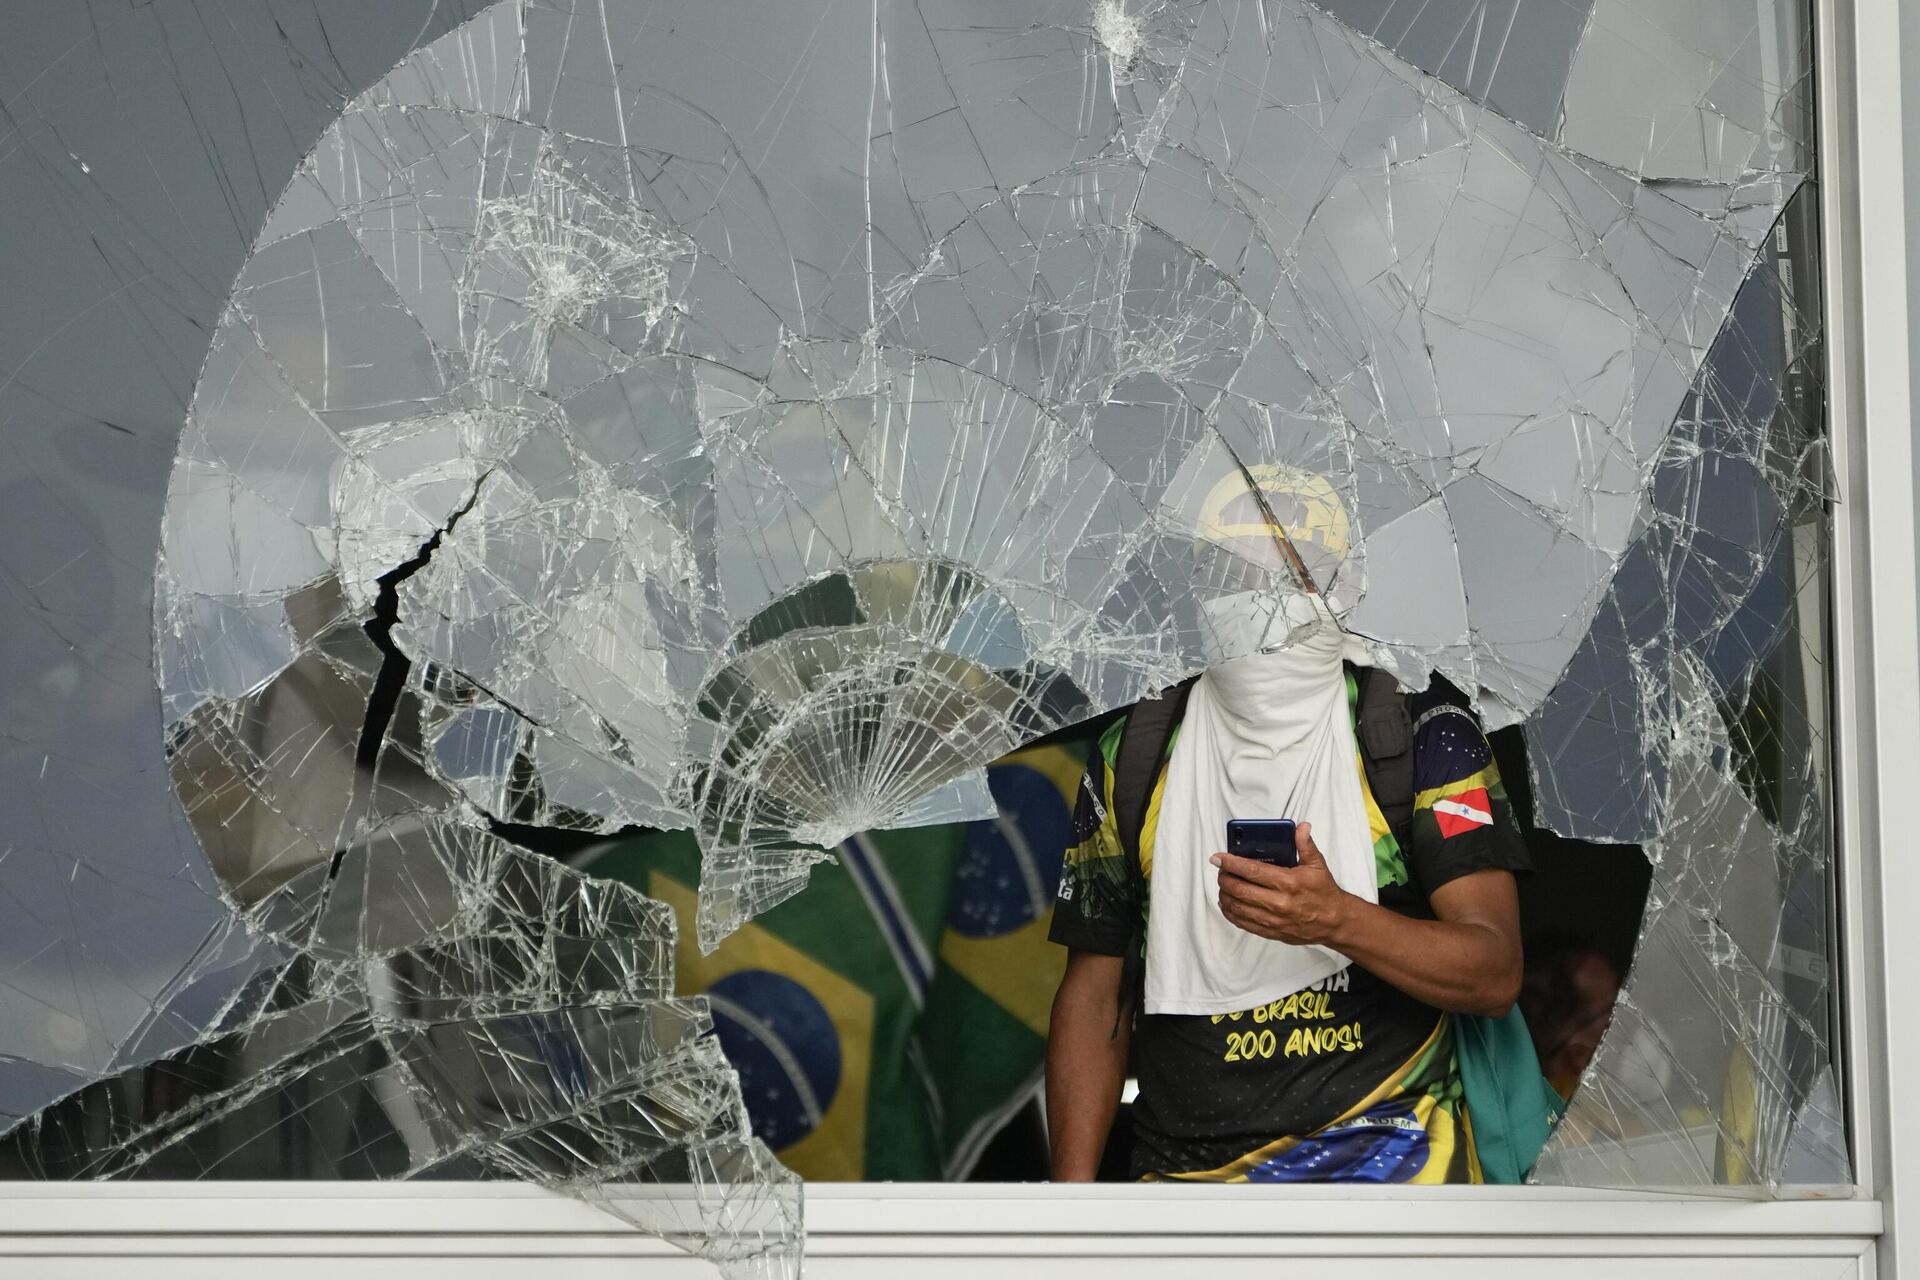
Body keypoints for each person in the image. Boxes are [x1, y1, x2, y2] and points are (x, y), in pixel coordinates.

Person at [1044, 465, 1532, 1183]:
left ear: (1347, 585)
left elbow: (1494, 972)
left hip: (1400, 1182)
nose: (1258, 600)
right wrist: (1071, 1214)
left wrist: (1336, 920)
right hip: (1185, 1195)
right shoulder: (1136, 754)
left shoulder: (1421, 733)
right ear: (1192, 588)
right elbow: (1094, 996)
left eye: (1294, 573)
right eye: (1228, 571)